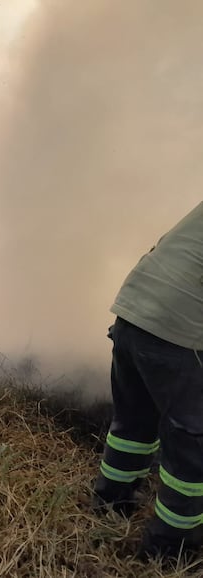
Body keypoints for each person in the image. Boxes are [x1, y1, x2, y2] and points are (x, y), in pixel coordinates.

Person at [93, 201, 203, 560]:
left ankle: (110, 502)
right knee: (192, 449)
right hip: (177, 330)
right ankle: (172, 547)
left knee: (134, 423)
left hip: (133, 312)